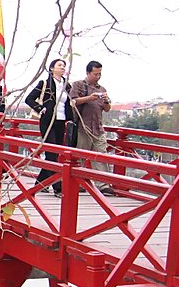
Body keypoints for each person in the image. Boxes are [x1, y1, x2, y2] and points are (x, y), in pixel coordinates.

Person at [24, 58, 74, 196]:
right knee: (51, 152)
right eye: (59, 65)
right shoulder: (45, 83)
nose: (63, 67)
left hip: (61, 121)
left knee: (55, 154)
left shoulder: (66, 85)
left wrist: (71, 119)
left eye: (64, 65)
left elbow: (69, 104)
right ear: (52, 68)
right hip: (48, 121)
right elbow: (29, 99)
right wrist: (40, 108)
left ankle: (40, 183)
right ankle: (58, 187)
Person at [70, 61, 115, 196]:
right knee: (81, 156)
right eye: (95, 74)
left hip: (98, 128)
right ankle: (80, 182)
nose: (98, 76)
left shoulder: (102, 89)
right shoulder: (78, 85)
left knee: (101, 155)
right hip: (83, 127)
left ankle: (103, 184)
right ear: (88, 73)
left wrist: (106, 100)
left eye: (99, 74)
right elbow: (73, 101)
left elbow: (107, 109)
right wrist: (89, 98)